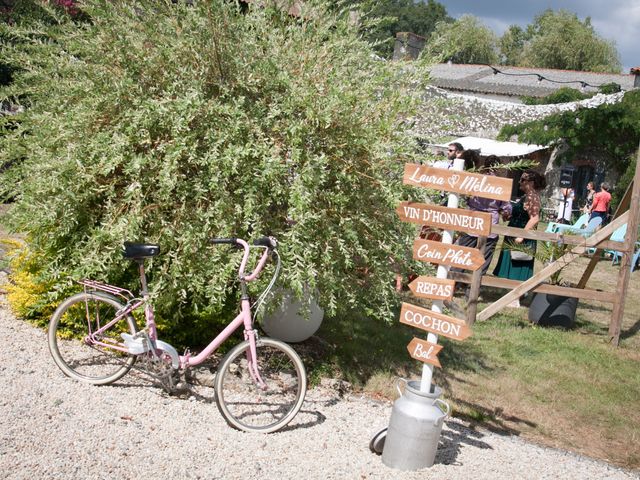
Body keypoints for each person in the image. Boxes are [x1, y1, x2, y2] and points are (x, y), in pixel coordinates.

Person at [493, 170, 547, 307]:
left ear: (531, 183)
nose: (520, 182)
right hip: (514, 233)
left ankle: (516, 298)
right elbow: (521, 214)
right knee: (512, 265)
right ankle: (515, 295)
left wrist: (521, 236)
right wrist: (507, 216)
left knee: (518, 266)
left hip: (522, 237)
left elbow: (534, 219)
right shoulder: (525, 196)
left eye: (523, 180)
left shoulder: (533, 197)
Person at [454, 155, 512, 276]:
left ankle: (454, 281)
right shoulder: (500, 184)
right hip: (490, 222)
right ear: (498, 167)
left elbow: (466, 198)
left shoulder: (476, 180)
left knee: (462, 254)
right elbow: (506, 207)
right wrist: (505, 213)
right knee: (483, 258)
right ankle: (472, 289)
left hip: (472, 219)